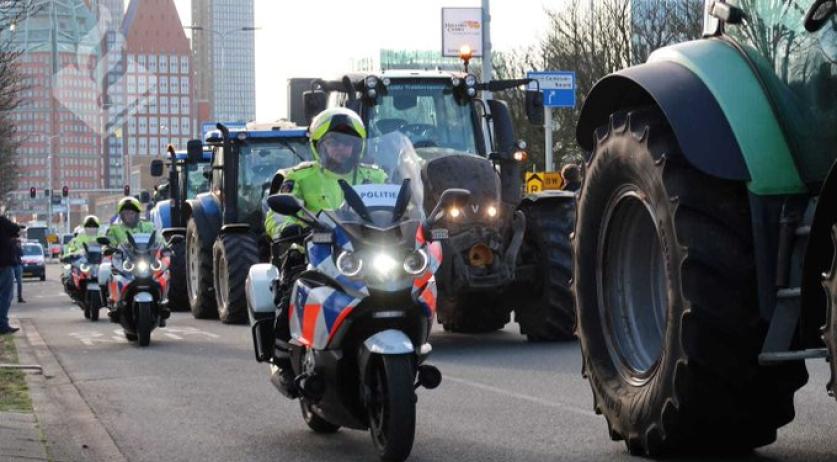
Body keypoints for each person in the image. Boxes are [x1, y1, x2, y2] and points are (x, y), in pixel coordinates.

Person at [267, 108, 386, 393]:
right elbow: (276, 212)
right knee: (292, 287)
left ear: (358, 147)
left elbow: (402, 207)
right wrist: (286, 228)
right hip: (313, 251)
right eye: (333, 142)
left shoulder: (376, 177)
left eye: (348, 143)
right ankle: (283, 360)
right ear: (319, 145)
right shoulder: (301, 177)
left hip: (366, 252)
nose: (341, 149)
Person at [0, 214, 22, 334]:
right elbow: (15, 229)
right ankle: (2, 324)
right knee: (6, 295)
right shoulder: (2, 221)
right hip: (3, 264)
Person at [13, 239, 23, 303]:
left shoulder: (18, 247)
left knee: (19, 282)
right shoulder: (10, 246)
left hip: (17, 265)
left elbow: (22, 254)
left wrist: (19, 247)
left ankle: (19, 297)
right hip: (11, 265)